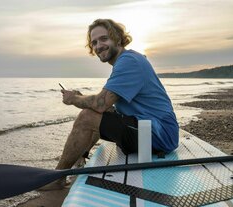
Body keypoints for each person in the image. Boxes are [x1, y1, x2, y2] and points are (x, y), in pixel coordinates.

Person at [42, 19, 179, 190]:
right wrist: (83, 98)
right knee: (96, 113)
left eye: (104, 39)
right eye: (94, 43)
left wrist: (73, 99)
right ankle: (81, 158)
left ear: (118, 39)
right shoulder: (128, 60)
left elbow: (100, 103)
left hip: (158, 135)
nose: (98, 46)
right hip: (150, 129)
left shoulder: (129, 62)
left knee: (87, 116)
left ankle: (58, 178)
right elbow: (105, 106)